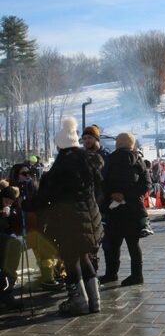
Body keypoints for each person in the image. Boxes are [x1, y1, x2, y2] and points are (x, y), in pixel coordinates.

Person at [24, 117, 103, 316]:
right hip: (91, 219)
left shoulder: (60, 169)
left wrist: (26, 204)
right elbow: (102, 188)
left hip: (68, 221)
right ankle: (94, 301)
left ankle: (79, 301)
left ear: (60, 145)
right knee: (84, 257)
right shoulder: (89, 162)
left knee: (71, 259)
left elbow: (44, 197)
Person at [100, 132, 152, 287]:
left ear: (117, 144)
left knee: (112, 244)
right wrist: (127, 196)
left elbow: (102, 181)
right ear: (132, 144)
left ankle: (111, 274)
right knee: (133, 244)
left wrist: (113, 194)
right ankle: (137, 275)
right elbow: (146, 184)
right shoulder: (138, 160)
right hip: (133, 208)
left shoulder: (109, 159)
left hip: (113, 209)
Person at [0, 183, 23, 310]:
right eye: (6, 200)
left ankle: (6, 290)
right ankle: (5, 293)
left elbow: (16, 226)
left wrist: (11, 215)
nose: (7, 203)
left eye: (10, 201)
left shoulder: (12, 208)